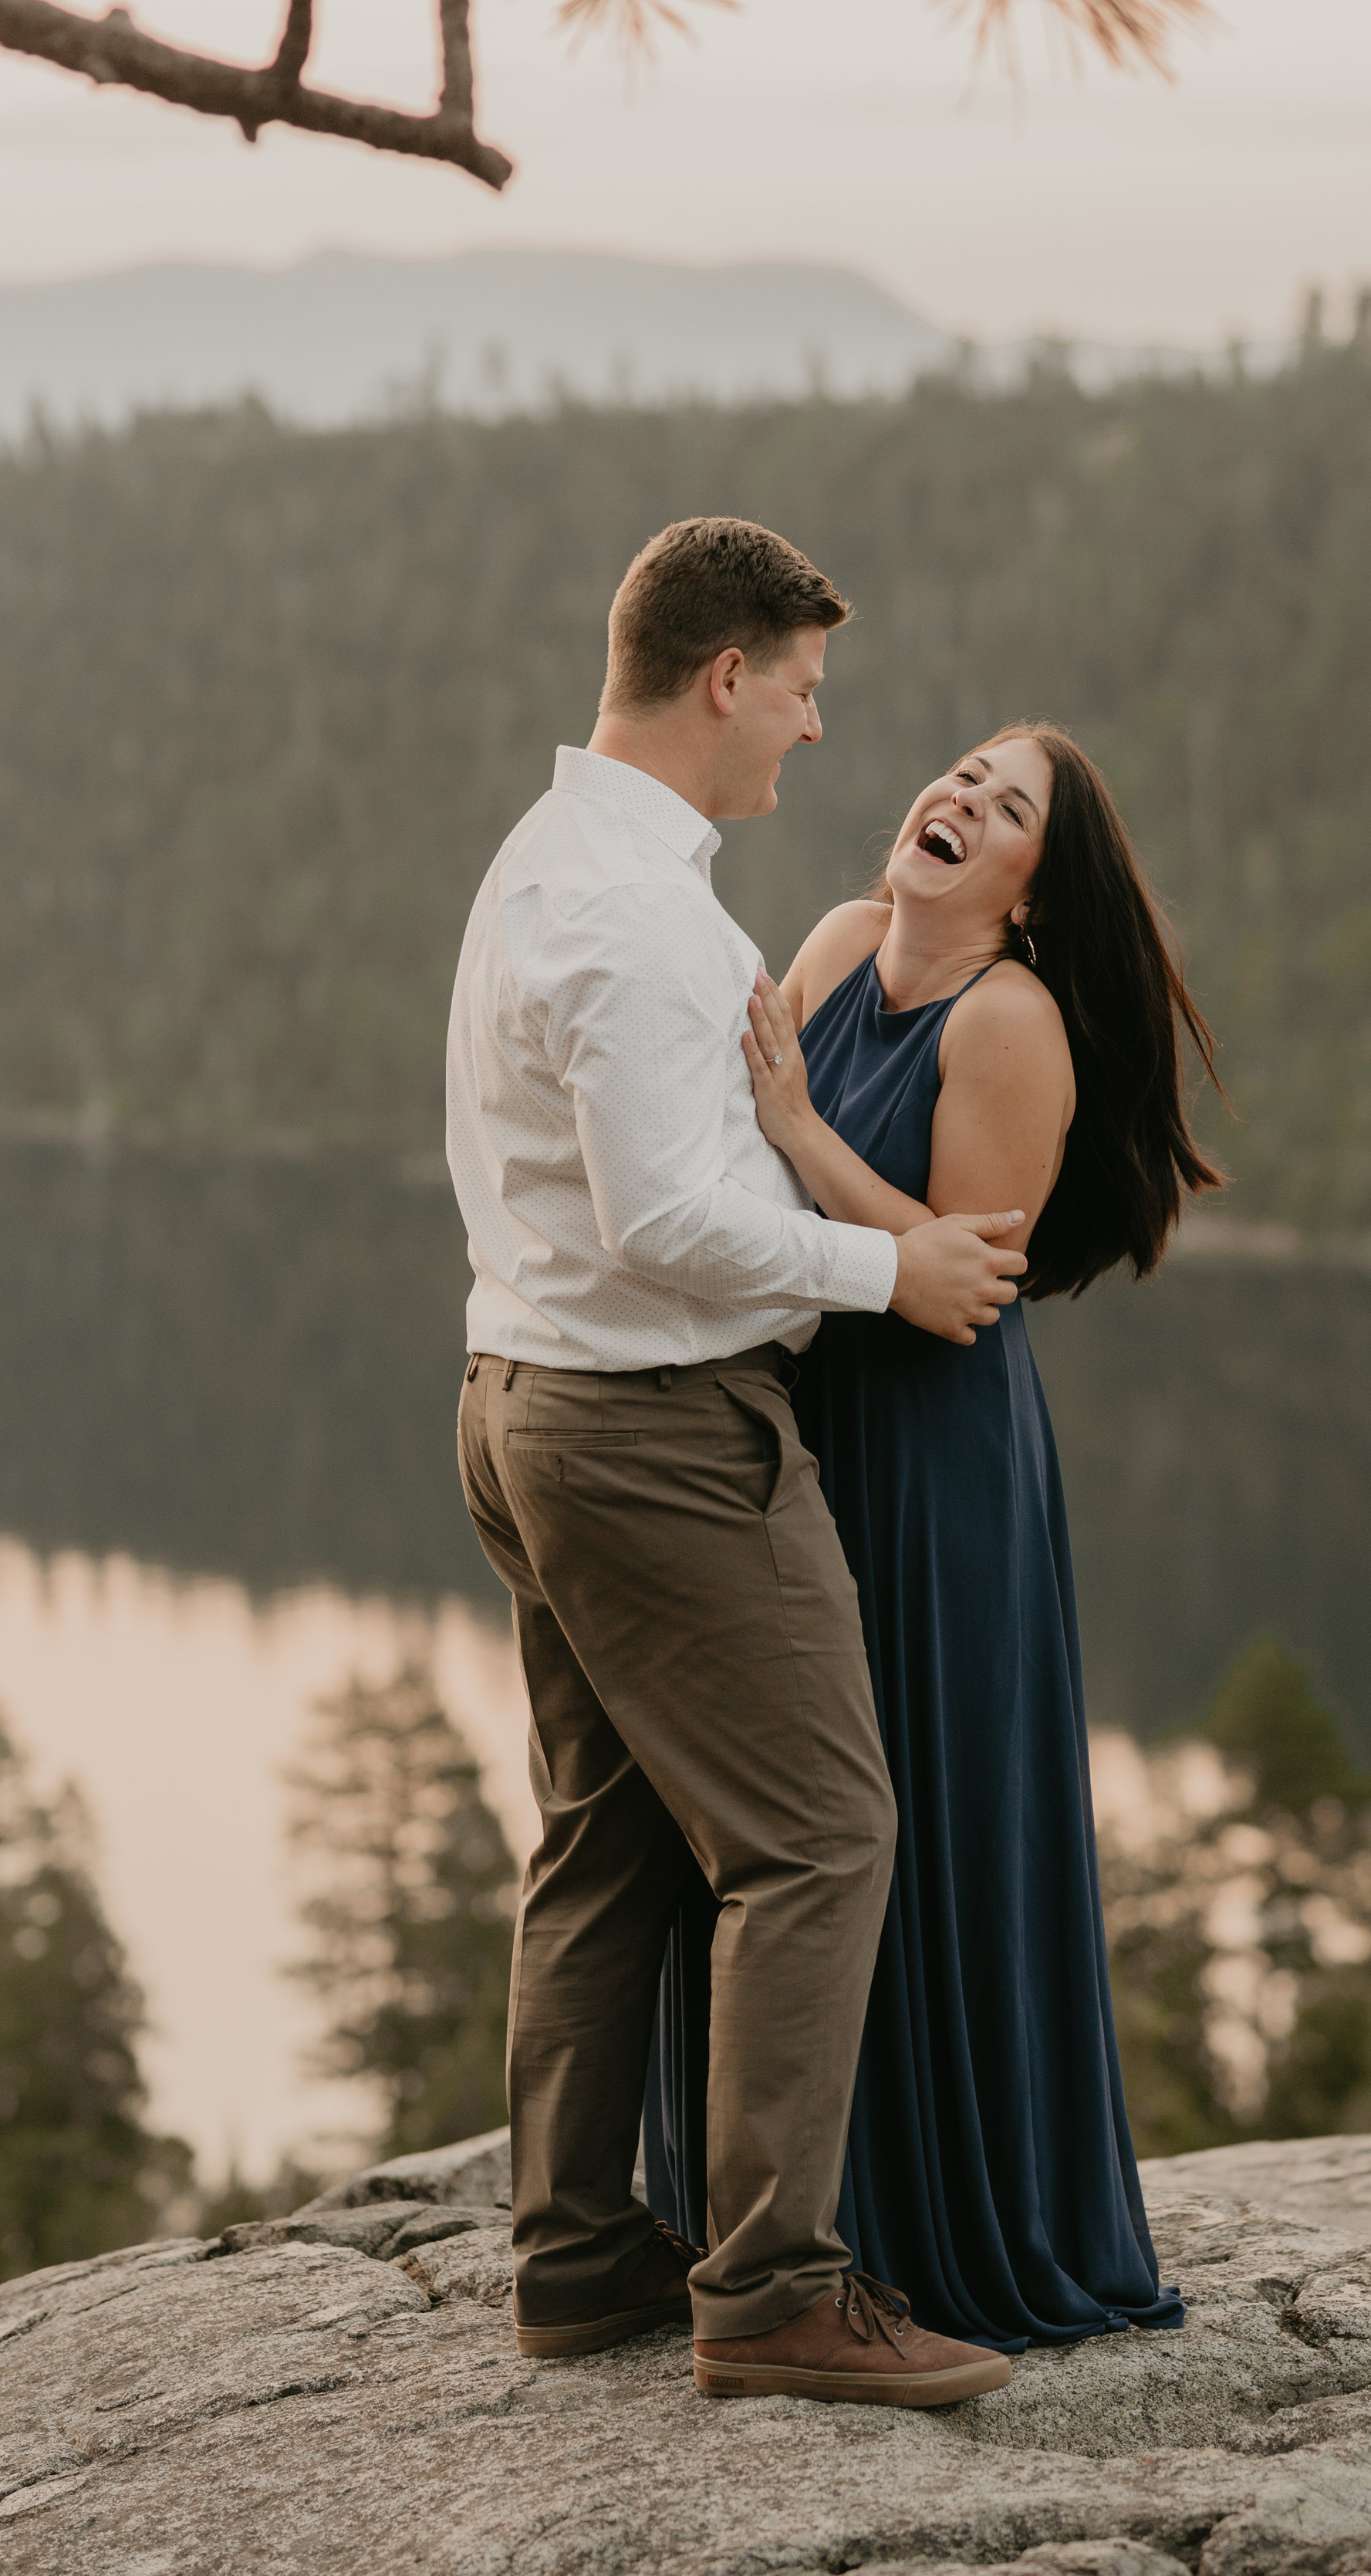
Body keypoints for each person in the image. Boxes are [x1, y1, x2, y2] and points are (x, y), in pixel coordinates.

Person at [447, 515, 1028, 2408]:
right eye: (800, 691)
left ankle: (575, 2260)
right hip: (646, 1433)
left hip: (526, 1398)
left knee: (608, 1841)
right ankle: (770, 2290)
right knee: (818, 1834)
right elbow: (667, 1229)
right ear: (724, 676)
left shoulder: (561, 859)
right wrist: (895, 1264)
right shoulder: (627, 911)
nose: (811, 731)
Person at [644, 721, 1222, 2349]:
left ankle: (940, 2234)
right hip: (789, 1428)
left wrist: (801, 1130)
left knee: (910, 1817)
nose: (960, 798)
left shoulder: (1012, 1022)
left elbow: (955, 1287)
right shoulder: (833, 946)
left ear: (1034, 893)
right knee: (776, 1823)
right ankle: (752, 2227)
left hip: (931, 1461)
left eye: (1008, 805)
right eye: (961, 774)